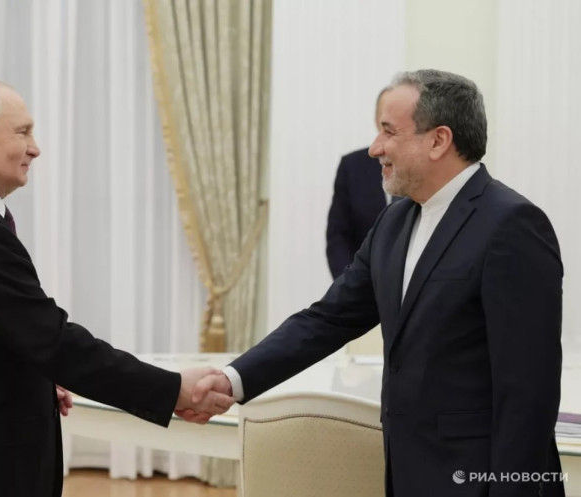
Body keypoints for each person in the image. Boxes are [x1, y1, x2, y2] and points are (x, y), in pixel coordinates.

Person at [192, 69, 565, 496]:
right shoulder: (394, 221)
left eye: (388, 131)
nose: (374, 148)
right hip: (407, 473)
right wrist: (233, 379)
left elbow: (528, 394)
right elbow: (327, 319)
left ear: (438, 140)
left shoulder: (512, 225)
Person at [0, 78, 231, 497]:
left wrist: (30, 378)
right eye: (22, 132)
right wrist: (174, 389)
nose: (35, 148)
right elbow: (54, 342)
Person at [326, 88, 395, 279]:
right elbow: (338, 236)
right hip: (362, 284)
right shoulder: (352, 166)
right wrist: (348, 284)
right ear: (376, 120)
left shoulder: (423, 165)